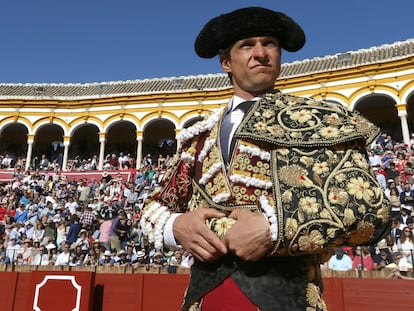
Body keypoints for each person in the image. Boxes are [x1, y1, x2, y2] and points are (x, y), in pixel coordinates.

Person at [139, 7, 391, 311]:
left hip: (288, 297)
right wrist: (176, 226)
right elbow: (154, 206)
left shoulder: (320, 120)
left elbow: (370, 210)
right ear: (225, 63)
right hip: (204, 297)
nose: (260, 53)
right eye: (247, 45)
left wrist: (276, 229)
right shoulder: (198, 138)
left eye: (269, 43)